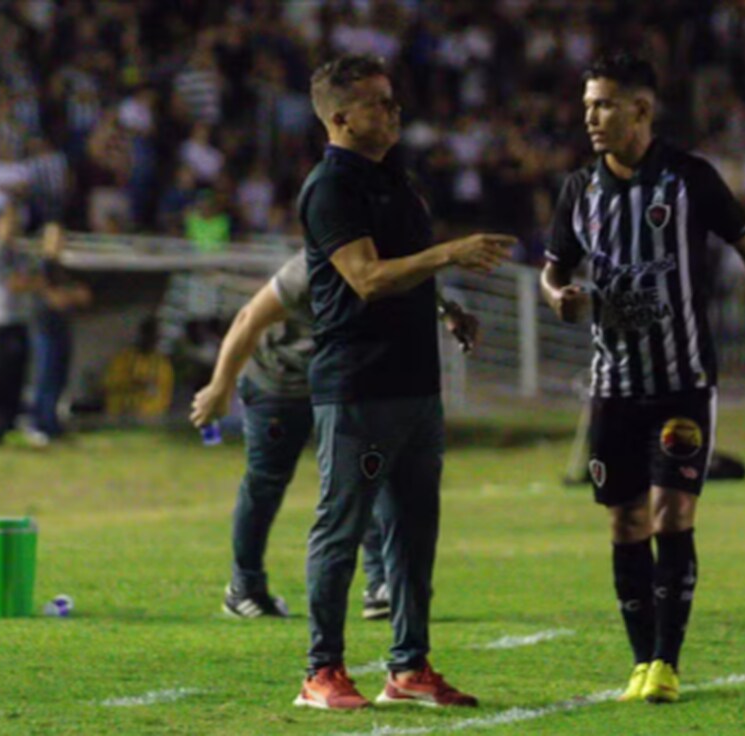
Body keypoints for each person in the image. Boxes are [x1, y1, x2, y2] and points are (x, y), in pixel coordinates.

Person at [541, 54, 745, 704]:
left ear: (641, 110)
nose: (591, 117)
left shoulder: (690, 179)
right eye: (587, 105)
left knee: (673, 513)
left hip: (683, 380)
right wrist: (558, 292)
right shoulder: (578, 191)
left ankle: (667, 662)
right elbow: (553, 268)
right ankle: (640, 661)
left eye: (604, 104)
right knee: (624, 523)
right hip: (612, 385)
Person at [294, 54, 512, 711]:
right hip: (359, 386)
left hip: (417, 383)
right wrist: (448, 252)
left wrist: (447, 307)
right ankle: (321, 671)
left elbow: (406, 272)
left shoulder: (395, 179)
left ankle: (408, 667)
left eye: (392, 101)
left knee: (415, 530)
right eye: (378, 104)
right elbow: (365, 276)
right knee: (343, 524)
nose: (392, 113)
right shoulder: (330, 188)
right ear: (340, 116)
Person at [188, 253, 393, 621]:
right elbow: (248, 318)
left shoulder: (388, 259)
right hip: (278, 385)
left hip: (337, 384)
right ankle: (244, 587)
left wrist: (446, 311)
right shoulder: (311, 266)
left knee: (362, 472)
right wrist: (220, 386)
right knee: (266, 482)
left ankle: (379, 585)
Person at [0, 204, 42, 435]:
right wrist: (33, 283)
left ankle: (12, 418)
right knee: (4, 373)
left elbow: (34, 274)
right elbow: (14, 283)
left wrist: (32, 281)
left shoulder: (17, 249)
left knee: (18, 373)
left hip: (20, 318)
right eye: (9, 220)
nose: (14, 225)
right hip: (3, 319)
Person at [30, 223, 91, 444]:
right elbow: (55, 298)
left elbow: (79, 295)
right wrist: (72, 295)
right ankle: (39, 424)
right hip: (46, 328)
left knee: (58, 378)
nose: (59, 243)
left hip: (61, 327)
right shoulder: (41, 267)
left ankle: (52, 424)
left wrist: (71, 295)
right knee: (45, 377)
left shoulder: (60, 268)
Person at [103, 317, 174, 420]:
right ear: (141, 335)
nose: (152, 340)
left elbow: (165, 395)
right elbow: (108, 383)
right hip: (121, 418)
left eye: (155, 337)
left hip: (151, 420)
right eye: (149, 335)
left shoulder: (163, 365)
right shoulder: (124, 359)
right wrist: (132, 382)